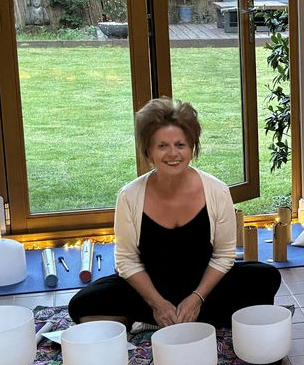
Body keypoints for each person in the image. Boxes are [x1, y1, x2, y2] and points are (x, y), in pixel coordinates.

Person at [68, 97, 281, 330]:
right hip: (151, 291)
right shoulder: (129, 196)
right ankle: (167, 317)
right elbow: (126, 260)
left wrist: (196, 298)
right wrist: (157, 303)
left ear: (192, 148)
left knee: (265, 277)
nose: (173, 154)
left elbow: (224, 256)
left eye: (180, 145)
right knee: (83, 303)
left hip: (203, 289)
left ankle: (182, 316)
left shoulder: (216, 190)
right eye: (162, 146)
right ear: (148, 151)